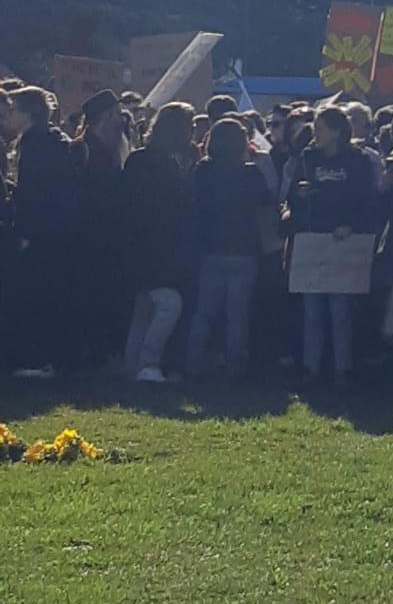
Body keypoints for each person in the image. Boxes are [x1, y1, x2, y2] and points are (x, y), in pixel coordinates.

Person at [286, 105, 377, 387]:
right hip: (313, 237)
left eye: (320, 128)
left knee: (340, 310)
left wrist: (351, 224)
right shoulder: (307, 158)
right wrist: (301, 196)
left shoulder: (357, 160)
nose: (315, 133)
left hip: (343, 240)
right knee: (312, 310)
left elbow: (366, 199)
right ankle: (311, 367)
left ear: (337, 132)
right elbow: (291, 196)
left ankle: (342, 369)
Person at [186, 116, 271, 379]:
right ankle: (236, 365)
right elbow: (265, 201)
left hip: (210, 247)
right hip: (244, 248)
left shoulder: (203, 170)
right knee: (237, 313)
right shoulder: (250, 173)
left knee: (204, 311)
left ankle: (193, 361)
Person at [8, 85, 83, 379]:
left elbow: (33, 192)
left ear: (28, 113)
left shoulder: (35, 145)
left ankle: (39, 358)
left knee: (37, 295)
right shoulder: (53, 140)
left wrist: (26, 232)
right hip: (58, 230)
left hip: (40, 233)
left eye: (14, 110)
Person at [121, 101, 195, 383]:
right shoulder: (166, 163)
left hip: (140, 243)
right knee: (169, 304)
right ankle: (148, 361)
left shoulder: (139, 159)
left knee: (144, 307)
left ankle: (133, 363)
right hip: (158, 245)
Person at [77, 88, 130, 370]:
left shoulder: (107, 149)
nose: (122, 120)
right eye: (118, 114)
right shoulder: (83, 150)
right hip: (91, 239)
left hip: (107, 239)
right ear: (106, 117)